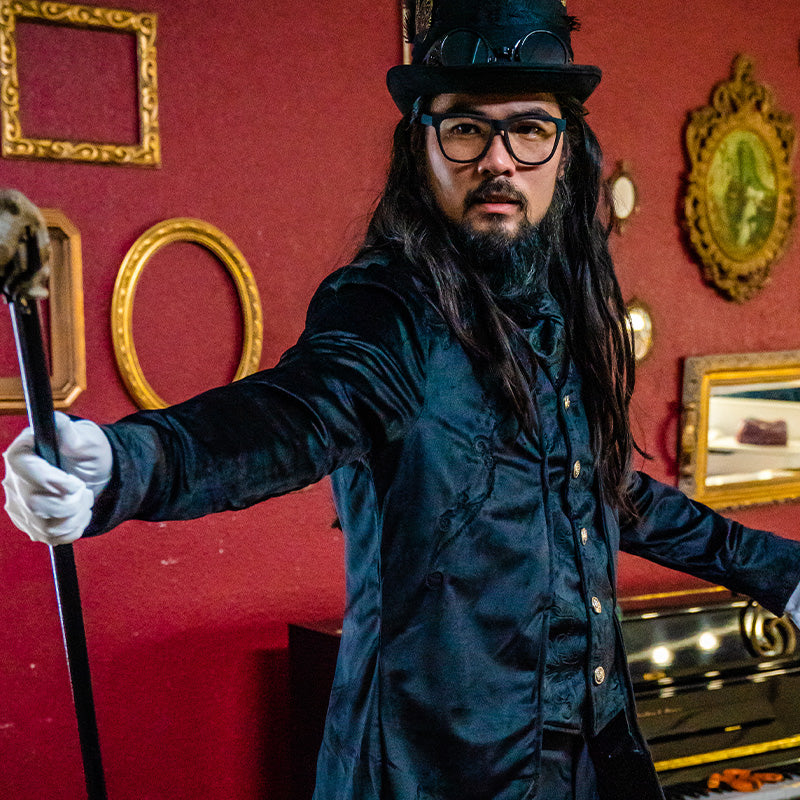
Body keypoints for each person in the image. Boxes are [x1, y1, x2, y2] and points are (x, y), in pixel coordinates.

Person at [4, 1, 800, 798]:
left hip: (589, 765)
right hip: (431, 774)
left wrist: (780, 572)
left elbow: (603, 490)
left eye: (529, 129)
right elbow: (298, 414)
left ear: (566, 153)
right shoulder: (386, 308)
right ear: (421, 147)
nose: (498, 160)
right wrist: (124, 464)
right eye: (465, 129)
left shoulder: (561, 303)